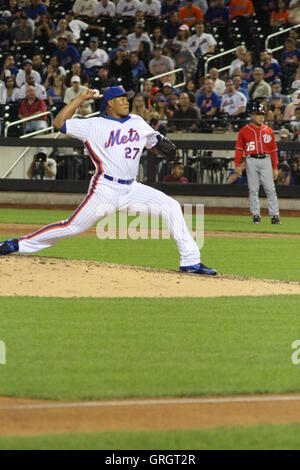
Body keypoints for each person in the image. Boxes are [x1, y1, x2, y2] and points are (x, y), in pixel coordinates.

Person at [0, 85, 217, 276]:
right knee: (72, 227)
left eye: (127, 98)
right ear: (109, 103)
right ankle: (17, 244)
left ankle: (190, 261)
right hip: (105, 188)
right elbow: (58, 123)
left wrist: (165, 147)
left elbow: (160, 148)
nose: (126, 101)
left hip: (132, 188)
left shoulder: (137, 121)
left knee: (171, 207)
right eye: (122, 98)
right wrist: (80, 99)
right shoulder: (93, 125)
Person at [234, 102, 280, 224]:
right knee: (253, 189)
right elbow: (239, 149)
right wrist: (237, 165)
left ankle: (274, 215)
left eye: (262, 114)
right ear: (252, 115)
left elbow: (274, 150)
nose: (261, 117)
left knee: (270, 188)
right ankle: (255, 215)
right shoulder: (244, 130)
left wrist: (275, 167)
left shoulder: (268, 131)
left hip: (266, 159)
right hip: (251, 160)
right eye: (258, 114)